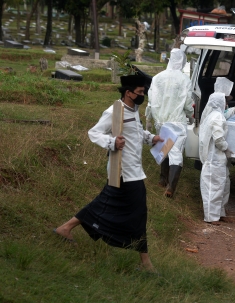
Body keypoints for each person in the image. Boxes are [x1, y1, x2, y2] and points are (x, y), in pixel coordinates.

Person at [54, 75, 163, 271]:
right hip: (123, 171)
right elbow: (93, 133)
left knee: (104, 204)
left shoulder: (133, 110)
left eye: (143, 92)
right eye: (139, 93)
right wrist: (112, 143)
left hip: (133, 170)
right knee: (137, 214)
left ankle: (65, 228)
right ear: (128, 93)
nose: (142, 96)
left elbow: (136, 132)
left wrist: (151, 138)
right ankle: (146, 263)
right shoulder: (114, 111)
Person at [146, 48, 194, 198]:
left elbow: (151, 100)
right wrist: (192, 115)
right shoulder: (184, 79)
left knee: (165, 147)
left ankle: (162, 179)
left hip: (160, 120)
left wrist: (148, 119)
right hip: (176, 121)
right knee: (176, 153)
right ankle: (171, 187)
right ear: (182, 62)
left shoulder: (157, 78)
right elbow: (187, 104)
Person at [199, 92, 234, 225]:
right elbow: (218, 139)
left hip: (217, 159)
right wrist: (226, 149)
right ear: (219, 102)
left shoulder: (212, 116)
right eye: (225, 101)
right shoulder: (217, 117)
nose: (226, 104)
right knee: (213, 188)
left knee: (223, 187)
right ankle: (211, 217)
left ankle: (220, 213)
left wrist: (234, 109)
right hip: (214, 159)